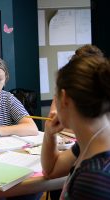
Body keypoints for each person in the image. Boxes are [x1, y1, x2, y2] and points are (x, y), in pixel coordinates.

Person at [41, 55, 110, 199]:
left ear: (64, 98)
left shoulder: (91, 180)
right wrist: (49, 134)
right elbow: (51, 170)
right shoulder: (90, 143)